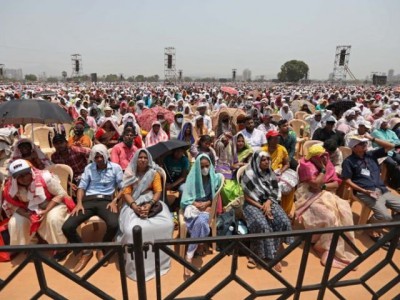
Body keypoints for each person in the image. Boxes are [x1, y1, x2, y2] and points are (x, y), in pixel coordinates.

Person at [62, 144, 123, 273]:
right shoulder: (89, 168)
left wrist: (115, 201)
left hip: (106, 200)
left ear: (106, 156)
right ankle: (85, 251)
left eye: (101, 156)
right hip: (88, 200)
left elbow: (123, 188)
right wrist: (79, 203)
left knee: (114, 224)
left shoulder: (116, 168)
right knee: (67, 226)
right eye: (96, 157)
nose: (99, 159)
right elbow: (82, 187)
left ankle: (103, 248)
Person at [295, 144, 356, 268]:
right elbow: (314, 185)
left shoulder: (327, 163)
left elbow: (335, 184)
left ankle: (339, 249)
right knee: (329, 217)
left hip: (325, 193)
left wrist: (323, 186)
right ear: (313, 157)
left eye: (325, 155)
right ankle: (324, 248)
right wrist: (322, 170)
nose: (324, 158)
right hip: (307, 196)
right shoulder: (306, 166)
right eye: (320, 156)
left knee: (345, 211)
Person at [117, 149, 173, 281]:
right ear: (136, 159)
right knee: (131, 231)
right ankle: (136, 266)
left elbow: (158, 191)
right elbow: (126, 193)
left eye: (145, 158)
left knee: (168, 224)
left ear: (149, 160)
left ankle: (160, 261)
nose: (142, 160)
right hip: (132, 202)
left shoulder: (154, 173)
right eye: (140, 157)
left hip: (152, 201)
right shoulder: (130, 173)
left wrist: (150, 204)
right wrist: (135, 207)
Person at [2, 159, 74, 260]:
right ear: (14, 178)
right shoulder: (11, 187)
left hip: (52, 204)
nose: (24, 178)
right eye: (19, 176)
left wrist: (45, 211)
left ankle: (61, 247)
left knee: (53, 218)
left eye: (25, 174)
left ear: (30, 171)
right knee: (15, 222)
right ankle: (29, 246)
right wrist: (27, 215)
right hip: (28, 209)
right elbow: (12, 205)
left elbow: (60, 194)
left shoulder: (45, 177)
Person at [341, 135, 400, 247]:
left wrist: (372, 138)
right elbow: (347, 181)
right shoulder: (349, 162)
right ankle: (371, 228)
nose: (365, 145)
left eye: (365, 143)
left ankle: (390, 226)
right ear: (354, 147)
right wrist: (364, 191)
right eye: (362, 144)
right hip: (365, 192)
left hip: (382, 189)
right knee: (384, 216)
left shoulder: (371, 155)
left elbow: (391, 146)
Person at [241, 151, 293, 272]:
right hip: (252, 204)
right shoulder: (248, 174)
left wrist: (268, 203)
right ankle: (256, 254)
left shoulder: (270, 173)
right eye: (263, 160)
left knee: (283, 220)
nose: (266, 162)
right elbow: (247, 197)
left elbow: (275, 190)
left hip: (269, 202)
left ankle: (274, 249)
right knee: (262, 224)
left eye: (267, 159)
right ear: (257, 161)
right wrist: (262, 207)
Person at [180, 154, 222, 276]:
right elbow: (186, 198)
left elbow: (214, 196)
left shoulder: (213, 178)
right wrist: (195, 203)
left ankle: (189, 256)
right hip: (193, 206)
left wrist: (208, 203)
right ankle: (200, 244)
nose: (205, 169)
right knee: (200, 221)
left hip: (207, 207)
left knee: (201, 221)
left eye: (207, 166)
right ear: (197, 167)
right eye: (202, 166)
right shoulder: (192, 178)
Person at [262, 130, 297, 217]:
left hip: (279, 172)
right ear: (269, 140)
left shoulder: (282, 149)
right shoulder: (263, 150)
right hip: (266, 172)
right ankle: (275, 209)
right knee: (276, 186)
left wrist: (280, 172)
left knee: (290, 184)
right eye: (274, 138)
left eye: (277, 138)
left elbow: (287, 164)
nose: (276, 140)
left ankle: (287, 209)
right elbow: (259, 166)